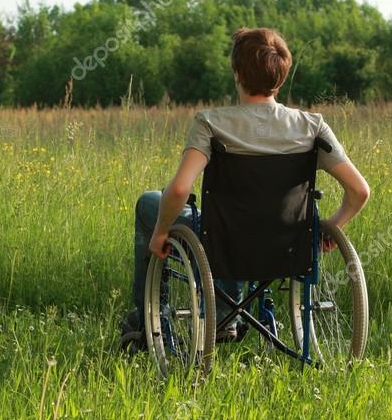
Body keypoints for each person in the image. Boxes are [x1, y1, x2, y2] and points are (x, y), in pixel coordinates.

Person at [123, 27, 371, 341]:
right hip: (288, 243)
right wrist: (329, 226)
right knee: (236, 228)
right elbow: (359, 190)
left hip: (224, 240)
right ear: (281, 77)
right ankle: (226, 315)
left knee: (150, 202)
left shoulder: (211, 123)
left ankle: (149, 321)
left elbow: (179, 190)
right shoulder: (312, 126)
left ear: (237, 73)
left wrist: (160, 233)